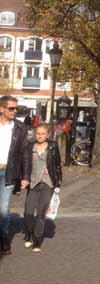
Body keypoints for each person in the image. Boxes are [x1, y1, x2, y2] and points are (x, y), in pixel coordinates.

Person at [21, 124, 62, 252]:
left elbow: (57, 165)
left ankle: (37, 241)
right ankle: (28, 233)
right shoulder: (29, 146)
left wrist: (58, 183)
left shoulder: (53, 146)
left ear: (48, 134)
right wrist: (24, 179)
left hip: (48, 183)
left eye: (43, 133)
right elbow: (25, 164)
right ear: (34, 134)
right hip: (33, 183)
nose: (40, 136)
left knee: (40, 213)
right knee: (28, 212)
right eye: (38, 133)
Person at [0, 95, 29, 255]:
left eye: (16, 108)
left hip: (8, 172)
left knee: (3, 209)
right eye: (11, 108)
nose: (14, 111)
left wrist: (25, 176)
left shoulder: (20, 127)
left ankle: (4, 239)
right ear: (1, 109)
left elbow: (25, 153)